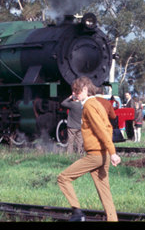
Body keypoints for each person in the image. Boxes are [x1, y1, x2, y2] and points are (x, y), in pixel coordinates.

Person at [57, 76, 121, 222]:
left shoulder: (89, 106)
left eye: (77, 91)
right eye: (73, 92)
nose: (75, 94)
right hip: (102, 154)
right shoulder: (97, 104)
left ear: (85, 89)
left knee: (63, 178)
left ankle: (78, 213)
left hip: (96, 155)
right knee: (105, 194)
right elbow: (108, 127)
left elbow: (101, 129)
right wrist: (109, 152)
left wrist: (113, 153)